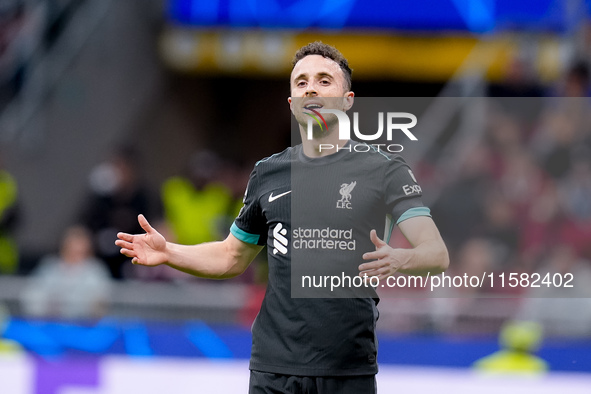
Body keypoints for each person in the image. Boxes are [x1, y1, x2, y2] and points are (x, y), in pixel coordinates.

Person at [116, 42, 449, 393]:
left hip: (347, 369)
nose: (311, 88)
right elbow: (231, 256)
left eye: (324, 80)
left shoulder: (385, 170)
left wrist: (400, 258)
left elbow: (436, 254)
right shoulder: (268, 172)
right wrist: (170, 252)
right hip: (273, 368)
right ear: (292, 102)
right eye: (301, 82)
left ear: (348, 100)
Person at [21, 225, 112, 319]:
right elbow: (31, 295)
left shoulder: (95, 270)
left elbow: (102, 301)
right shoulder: (50, 267)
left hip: (84, 327)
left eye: (81, 252)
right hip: (50, 325)